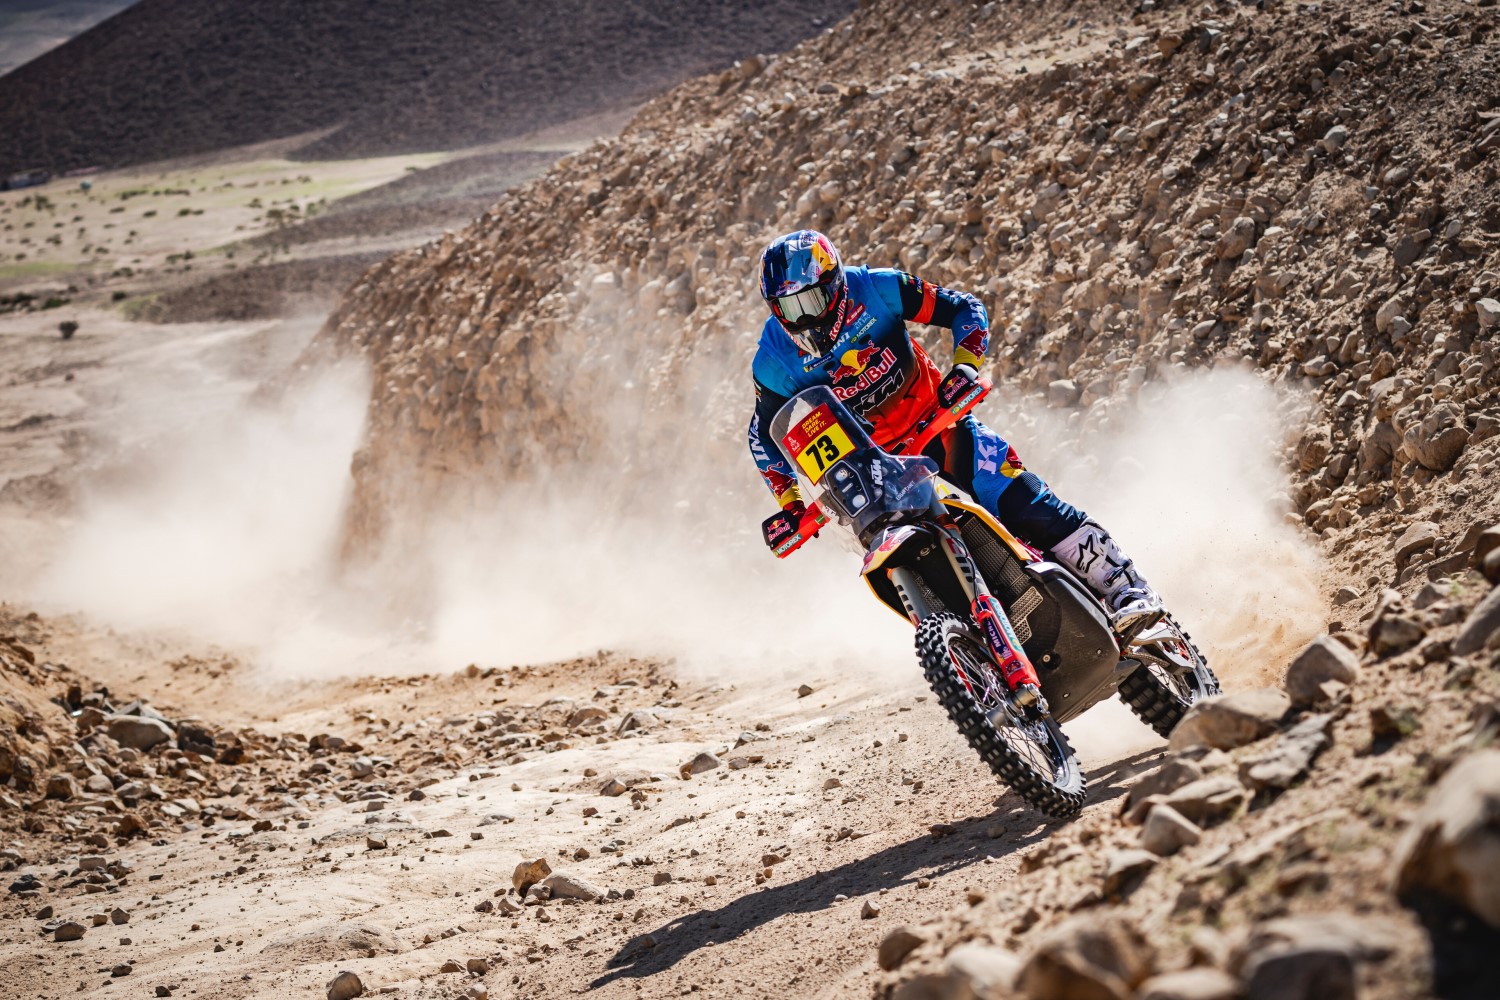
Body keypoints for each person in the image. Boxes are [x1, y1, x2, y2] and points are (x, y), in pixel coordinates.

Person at [747, 229, 1162, 629]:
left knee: (1018, 500)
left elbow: (963, 308)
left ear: (835, 284)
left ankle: (1128, 589)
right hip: (877, 473)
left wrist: (964, 366)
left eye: (811, 301)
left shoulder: (877, 288)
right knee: (897, 557)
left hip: (941, 425)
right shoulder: (772, 361)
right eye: (788, 309)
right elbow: (763, 438)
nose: (801, 319)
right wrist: (790, 502)